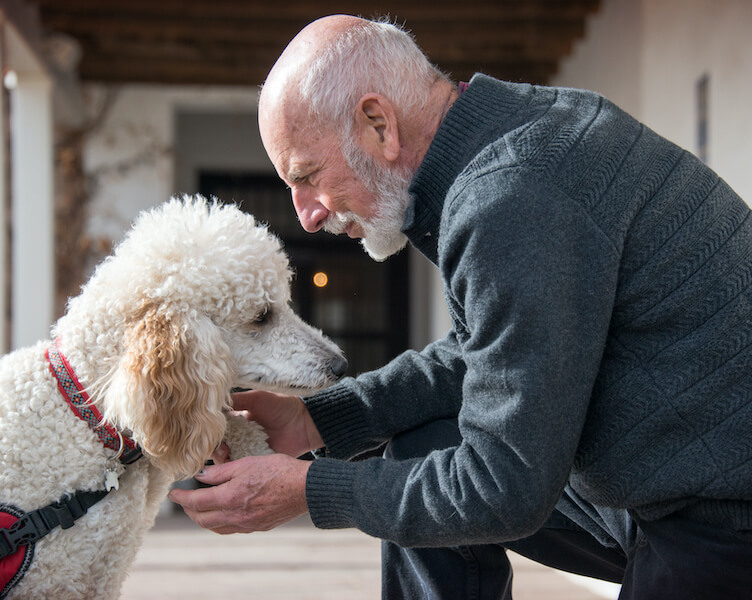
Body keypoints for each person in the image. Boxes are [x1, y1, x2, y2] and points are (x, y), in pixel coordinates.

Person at [168, 14, 752, 599]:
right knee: (422, 446)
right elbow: (490, 353)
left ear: (378, 124)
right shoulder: (517, 136)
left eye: (308, 176)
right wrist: (316, 420)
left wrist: (312, 490)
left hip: (720, 520)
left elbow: (505, 488)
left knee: (445, 479)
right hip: (660, 485)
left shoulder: (512, 195)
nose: (307, 215)